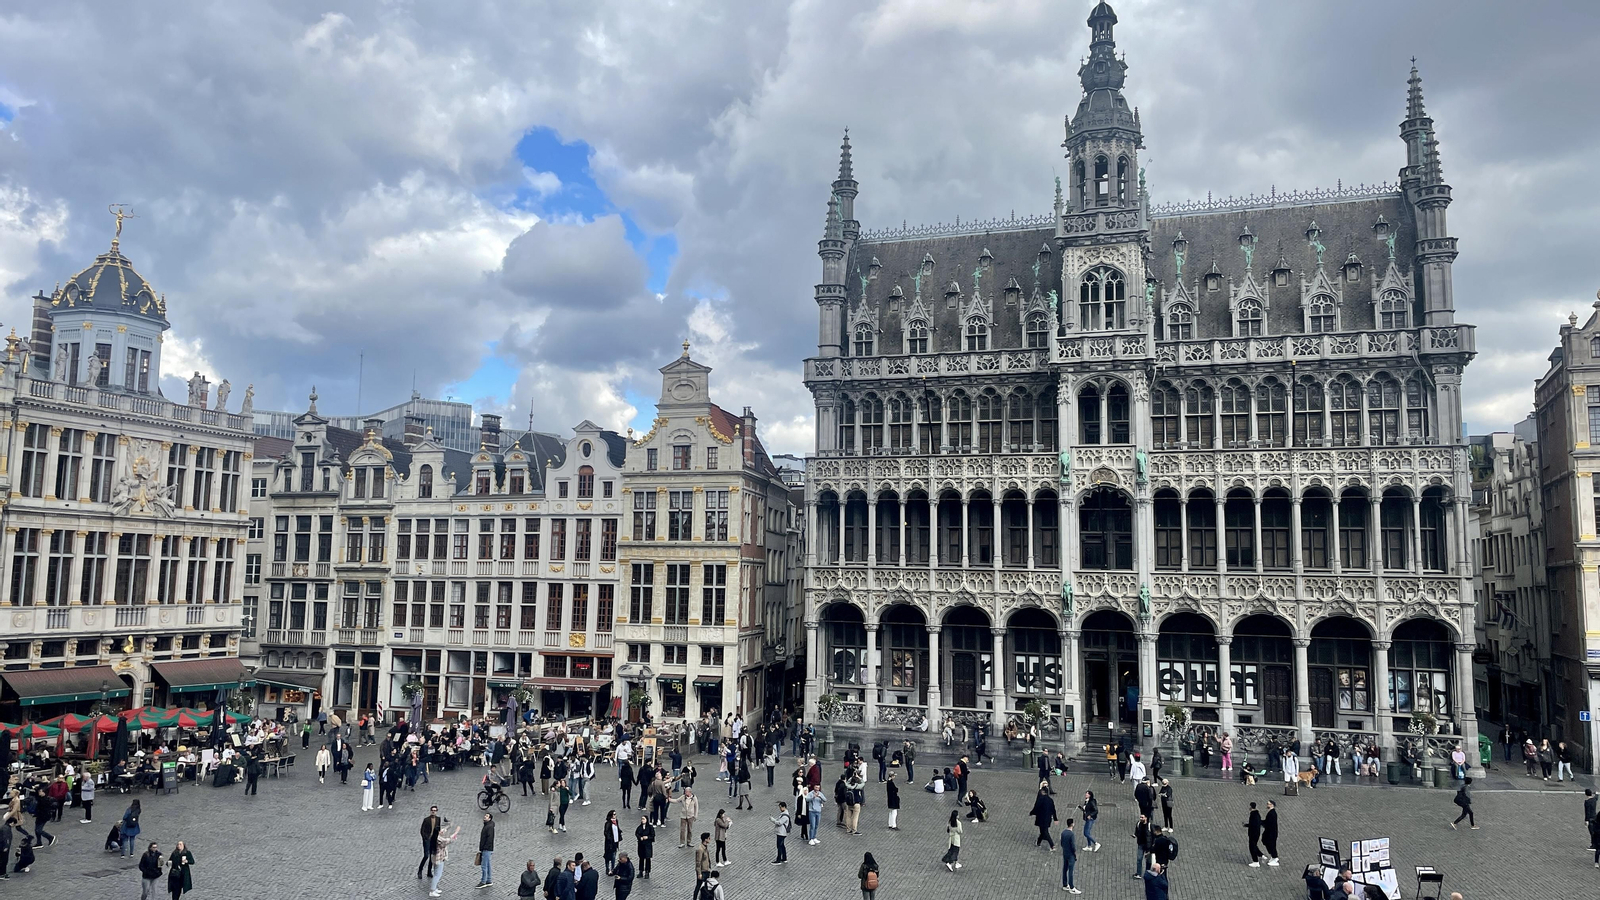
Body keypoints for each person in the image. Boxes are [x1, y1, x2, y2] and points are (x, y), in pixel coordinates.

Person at [428, 821, 461, 898]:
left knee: (436, 873)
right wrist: (456, 832)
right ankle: (432, 891)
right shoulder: (438, 839)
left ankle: (434, 888)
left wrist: (449, 826)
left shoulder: (433, 836)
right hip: (438, 858)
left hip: (436, 858)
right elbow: (448, 840)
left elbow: (442, 831)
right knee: (437, 875)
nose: (441, 832)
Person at [1029, 784, 1058, 849]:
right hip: (1048, 818)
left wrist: (1032, 813)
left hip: (1041, 818)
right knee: (1043, 831)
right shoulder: (1050, 800)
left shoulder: (1040, 799)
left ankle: (1052, 845)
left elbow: (1036, 807)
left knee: (1044, 832)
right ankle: (1038, 842)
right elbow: (1053, 810)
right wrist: (1055, 819)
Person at [417, 806, 442, 880]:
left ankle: (429, 871)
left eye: (435, 810)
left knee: (432, 856)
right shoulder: (426, 820)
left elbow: (438, 828)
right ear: (430, 811)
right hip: (427, 839)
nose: (433, 812)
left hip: (434, 840)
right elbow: (422, 830)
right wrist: (425, 838)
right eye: (432, 810)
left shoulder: (438, 819)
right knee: (426, 855)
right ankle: (420, 870)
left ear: (436, 811)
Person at [1061, 817, 1081, 893]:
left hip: (1065, 853)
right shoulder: (1071, 834)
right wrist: (1075, 854)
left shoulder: (1063, 832)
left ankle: (1065, 885)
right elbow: (1073, 846)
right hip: (1070, 854)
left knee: (1065, 869)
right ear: (1072, 824)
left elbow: (1062, 843)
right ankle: (1072, 887)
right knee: (1071, 871)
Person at [478, 812, 496, 888]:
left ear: (489, 818)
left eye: (487, 816)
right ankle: (488, 880)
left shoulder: (489, 827)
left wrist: (484, 848)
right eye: (485, 815)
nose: (485, 817)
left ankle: (483, 881)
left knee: (484, 866)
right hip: (487, 848)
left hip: (486, 849)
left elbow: (489, 838)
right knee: (487, 865)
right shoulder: (488, 825)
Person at [1245, 802, 1264, 867]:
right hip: (1257, 833)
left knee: (1252, 846)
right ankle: (1261, 855)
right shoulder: (1257, 814)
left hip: (1253, 833)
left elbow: (1253, 824)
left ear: (1251, 807)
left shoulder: (1253, 815)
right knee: (1254, 845)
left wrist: (1248, 825)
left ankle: (1255, 861)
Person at [603, 810, 622, 876]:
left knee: (614, 856)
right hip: (609, 843)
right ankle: (607, 868)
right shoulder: (608, 823)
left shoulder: (616, 821)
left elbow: (617, 829)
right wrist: (610, 839)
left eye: (615, 814)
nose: (615, 815)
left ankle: (613, 868)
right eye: (614, 814)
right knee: (608, 856)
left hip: (615, 842)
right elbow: (606, 833)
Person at [1263, 800, 1280, 866]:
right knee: (1267, 842)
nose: (1267, 805)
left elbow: (1269, 823)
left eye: (1268, 804)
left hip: (1271, 833)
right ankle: (1273, 856)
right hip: (1270, 832)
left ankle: (1275, 857)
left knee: (1271, 845)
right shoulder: (1271, 812)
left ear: (1272, 805)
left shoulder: (1272, 813)